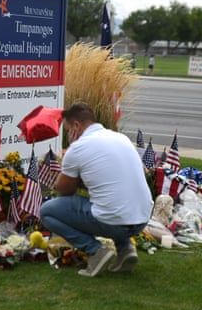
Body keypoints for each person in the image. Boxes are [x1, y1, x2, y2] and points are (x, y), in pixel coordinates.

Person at [40, 102, 153, 277]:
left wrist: (67, 164)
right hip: (142, 218)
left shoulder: (77, 148)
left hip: (113, 222)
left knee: (47, 211)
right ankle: (126, 250)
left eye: (68, 130)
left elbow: (64, 191)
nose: (69, 135)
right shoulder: (120, 137)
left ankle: (95, 251)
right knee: (112, 202)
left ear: (76, 126)